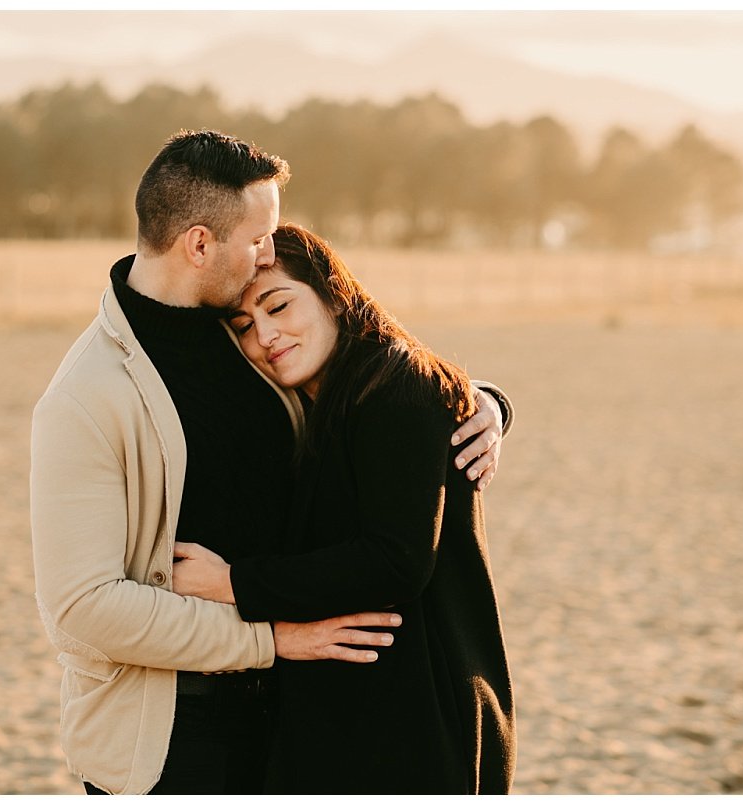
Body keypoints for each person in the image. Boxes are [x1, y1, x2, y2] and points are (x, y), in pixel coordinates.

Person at [30, 129, 511, 795]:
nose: (268, 254)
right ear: (200, 244)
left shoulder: (250, 336)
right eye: (259, 238)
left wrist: (478, 402)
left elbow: (370, 389)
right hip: (166, 742)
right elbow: (84, 609)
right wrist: (270, 637)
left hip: (300, 725)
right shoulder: (85, 396)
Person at [171, 222, 515, 793]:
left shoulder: (395, 383)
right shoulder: (325, 400)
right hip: (359, 718)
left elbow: (397, 560)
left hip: (417, 722)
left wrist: (232, 582)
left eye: (279, 306)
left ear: (333, 292)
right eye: (246, 327)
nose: (267, 336)